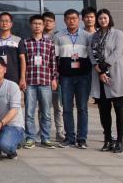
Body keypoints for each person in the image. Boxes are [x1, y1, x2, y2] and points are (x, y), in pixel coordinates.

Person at [89, 9, 123, 153]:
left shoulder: (118, 34)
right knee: (104, 111)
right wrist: (98, 69)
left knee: (118, 110)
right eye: (100, 18)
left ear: (109, 18)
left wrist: (104, 67)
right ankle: (108, 140)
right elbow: (91, 53)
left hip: (114, 75)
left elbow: (117, 52)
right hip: (99, 77)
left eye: (105, 18)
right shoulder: (94, 36)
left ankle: (119, 141)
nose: (102, 20)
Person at [54, 9, 93, 149]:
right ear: (64, 20)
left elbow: (92, 56)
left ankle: (82, 138)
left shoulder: (88, 36)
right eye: (69, 18)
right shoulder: (58, 36)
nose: (72, 21)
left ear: (79, 19)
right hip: (66, 77)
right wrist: (55, 77)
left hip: (83, 77)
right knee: (67, 108)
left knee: (82, 108)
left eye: (74, 18)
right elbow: (55, 59)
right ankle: (70, 138)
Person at [22, 15, 58, 149]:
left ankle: (45, 138)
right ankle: (30, 138)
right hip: (30, 82)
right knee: (29, 112)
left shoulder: (50, 43)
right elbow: (23, 63)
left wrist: (54, 78)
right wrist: (23, 79)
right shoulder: (25, 42)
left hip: (45, 82)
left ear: (43, 26)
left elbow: (53, 62)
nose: (37, 26)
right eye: (35, 23)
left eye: (39, 24)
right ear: (31, 25)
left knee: (46, 113)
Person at [43, 11, 65, 142]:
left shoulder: (59, 37)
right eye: (45, 21)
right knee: (43, 107)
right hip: (42, 77)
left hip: (56, 77)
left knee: (58, 106)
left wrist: (56, 76)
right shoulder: (38, 37)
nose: (47, 23)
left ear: (54, 23)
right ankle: (43, 131)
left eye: (50, 21)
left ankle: (59, 131)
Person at [0, 12, 27, 90]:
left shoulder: (18, 40)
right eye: (2, 21)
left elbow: (22, 60)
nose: (4, 23)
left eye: (7, 21)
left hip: (14, 78)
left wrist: (22, 78)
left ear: (11, 24)